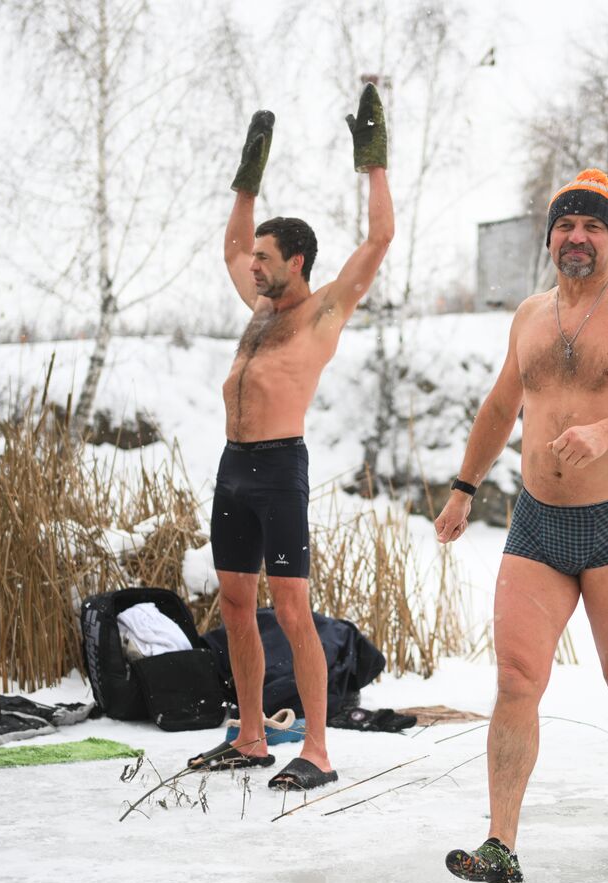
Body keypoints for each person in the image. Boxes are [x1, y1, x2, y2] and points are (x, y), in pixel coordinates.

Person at [434, 169, 608, 882]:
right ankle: (500, 841)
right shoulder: (529, 315)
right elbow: (497, 409)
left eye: (593, 226)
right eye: (566, 226)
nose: (577, 237)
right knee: (517, 679)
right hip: (537, 523)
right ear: (550, 238)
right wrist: (463, 488)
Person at [186, 85, 393, 791]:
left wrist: (374, 162)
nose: (252, 264)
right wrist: (248, 177)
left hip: (279, 471)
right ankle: (250, 737)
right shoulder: (262, 306)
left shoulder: (318, 314)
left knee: (293, 612)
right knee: (237, 606)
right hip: (232, 469)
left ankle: (318, 748)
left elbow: (378, 241)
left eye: (266, 258)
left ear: (297, 261)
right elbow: (232, 245)